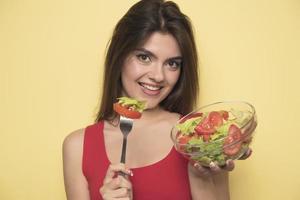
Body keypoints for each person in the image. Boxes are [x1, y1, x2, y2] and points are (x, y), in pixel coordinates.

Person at [63, 0, 256, 199]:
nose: (159, 76)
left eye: (172, 63)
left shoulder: (197, 140)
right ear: (119, 56)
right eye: (144, 57)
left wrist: (202, 179)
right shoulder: (77, 147)